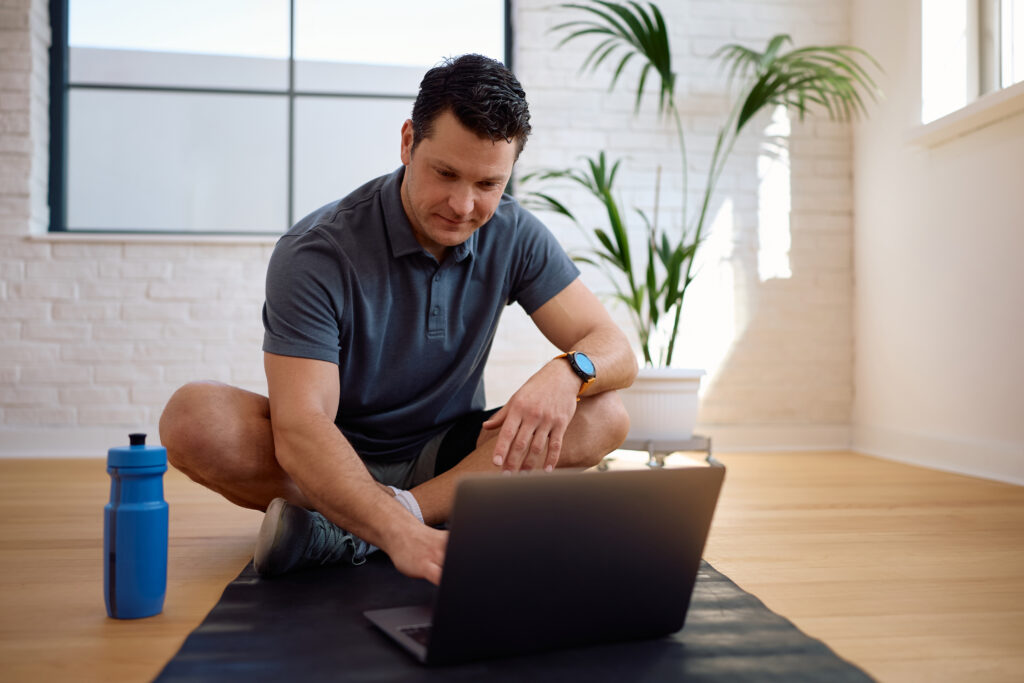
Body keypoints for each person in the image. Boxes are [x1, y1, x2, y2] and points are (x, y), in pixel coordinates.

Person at [159, 54, 637, 587]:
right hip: (333, 454)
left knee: (605, 413)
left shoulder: (514, 232)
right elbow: (302, 428)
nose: (463, 205)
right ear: (408, 142)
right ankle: (388, 521)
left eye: (488, 184)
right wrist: (398, 533)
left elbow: (615, 347)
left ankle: (354, 531)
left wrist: (568, 371)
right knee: (194, 418)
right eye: (446, 173)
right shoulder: (317, 251)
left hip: (448, 457)